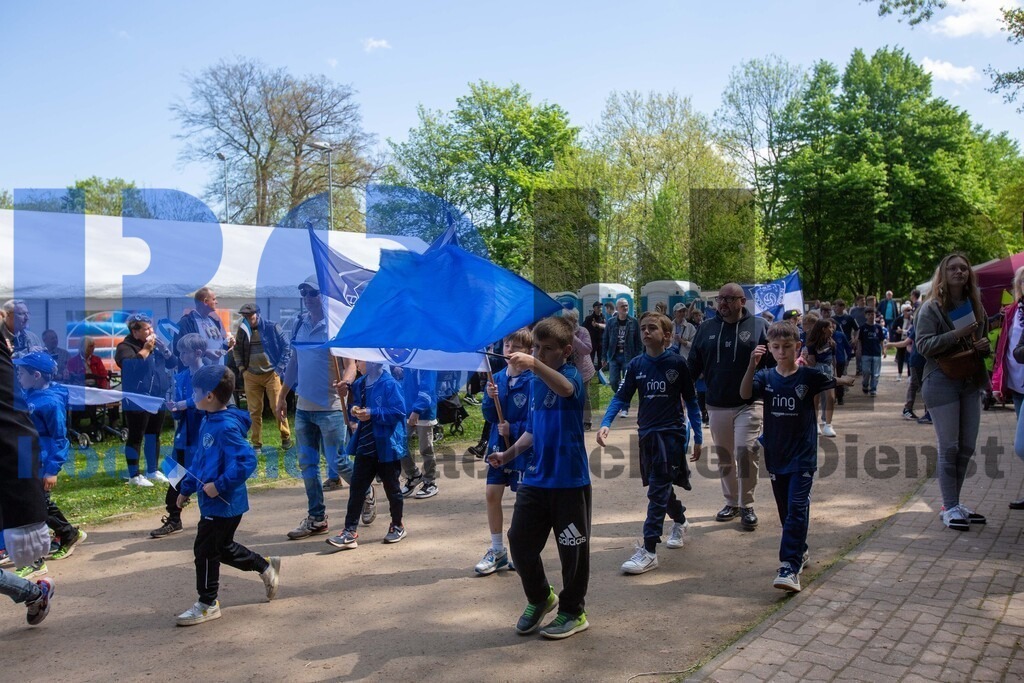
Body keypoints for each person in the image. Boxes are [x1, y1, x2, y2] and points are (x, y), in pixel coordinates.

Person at [487, 316, 591, 640]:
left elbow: (565, 389)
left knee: (571, 550)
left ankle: (573, 611)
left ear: (566, 350)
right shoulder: (534, 383)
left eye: (548, 350)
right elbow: (531, 432)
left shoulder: (571, 375)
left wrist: (534, 364)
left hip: (569, 481)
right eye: (538, 350)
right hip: (535, 479)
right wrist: (507, 456)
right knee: (518, 541)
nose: (542, 355)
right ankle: (540, 597)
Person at [740, 322, 845, 593]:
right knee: (786, 512)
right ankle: (801, 549)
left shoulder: (808, 377)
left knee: (797, 507)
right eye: (775, 347)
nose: (781, 351)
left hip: (803, 455)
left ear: (797, 346)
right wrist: (752, 364)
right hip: (776, 455)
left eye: (787, 346)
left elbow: (832, 383)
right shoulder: (765, 377)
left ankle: (789, 565)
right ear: (769, 349)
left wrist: (842, 379)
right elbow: (744, 393)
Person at [174, 365, 280, 626]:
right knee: (222, 549)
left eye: (195, 391)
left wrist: (220, 485)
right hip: (216, 503)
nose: (192, 395)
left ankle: (207, 603)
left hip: (223, 503)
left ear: (209, 396)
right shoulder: (209, 421)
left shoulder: (224, 427)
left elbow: (246, 460)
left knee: (205, 550)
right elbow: (200, 461)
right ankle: (265, 566)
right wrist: (185, 489)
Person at [597, 312, 703, 575]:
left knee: (657, 489)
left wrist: (699, 436)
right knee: (660, 487)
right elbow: (621, 397)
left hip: (671, 435)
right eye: (643, 328)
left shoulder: (677, 364)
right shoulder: (635, 365)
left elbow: (692, 402)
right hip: (646, 435)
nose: (645, 332)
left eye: (652, 328)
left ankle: (649, 549)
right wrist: (606, 422)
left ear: (666, 335)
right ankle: (679, 520)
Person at [916, 253, 991, 531]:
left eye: (964, 268)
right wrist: (957, 335)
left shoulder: (974, 305)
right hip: (941, 381)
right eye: (953, 268)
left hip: (969, 380)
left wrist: (982, 345)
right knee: (949, 447)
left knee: (967, 447)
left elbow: (978, 342)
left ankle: (956, 503)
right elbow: (923, 346)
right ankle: (949, 506)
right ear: (943, 274)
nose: (959, 272)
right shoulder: (932, 308)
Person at [687, 283, 772, 531]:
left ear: (742, 301)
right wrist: (682, 391)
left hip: (750, 402)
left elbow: (772, 362)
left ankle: (747, 505)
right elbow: (693, 365)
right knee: (725, 458)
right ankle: (731, 502)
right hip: (717, 403)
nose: (722, 302)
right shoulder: (705, 328)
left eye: (728, 298)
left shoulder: (759, 326)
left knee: (745, 451)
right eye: (720, 298)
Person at [278, 276, 356, 540]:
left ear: (323, 296)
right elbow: (294, 364)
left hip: (332, 407)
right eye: (304, 293)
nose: (308, 298)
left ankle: (364, 491)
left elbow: (351, 364)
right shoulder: (299, 324)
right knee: (308, 465)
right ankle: (317, 518)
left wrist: (346, 382)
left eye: (312, 293)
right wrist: (282, 396)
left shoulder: (336, 326)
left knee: (339, 462)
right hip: (303, 408)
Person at [12, 352, 86, 570]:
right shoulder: (29, 392)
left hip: (41, 461)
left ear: (36, 375)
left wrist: (52, 469)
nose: (18, 375)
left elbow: (60, 438)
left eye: (21, 372)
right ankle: (68, 533)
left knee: (34, 505)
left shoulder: (51, 402)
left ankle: (41, 554)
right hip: (25, 456)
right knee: (37, 502)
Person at [0, 340, 55, 626]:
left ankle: (34, 592)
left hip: (27, 468)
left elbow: (17, 430)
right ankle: (33, 592)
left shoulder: (48, 400)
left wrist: (27, 510)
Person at [325, 360, 408, 550]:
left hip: (387, 447)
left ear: (372, 361)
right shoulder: (361, 383)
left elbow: (398, 411)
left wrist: (372, 412)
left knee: (392, 488)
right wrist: (349, 401)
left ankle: (397, 525)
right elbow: (354, 402)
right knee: (357, 488)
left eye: (359, 360)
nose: (356, 364)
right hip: (365, 445)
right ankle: (349, 531)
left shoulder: (389, 384)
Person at [476, 329, 534, 575]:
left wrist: (514, 427)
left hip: (522, 450)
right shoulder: (496, 377)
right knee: (492, 494)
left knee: (524, 501)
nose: (511, 350)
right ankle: (497, 549)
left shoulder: (534, 380)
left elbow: (535, 422)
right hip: (498, 447)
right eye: (508, 345)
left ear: (529, 352)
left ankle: (525, 551)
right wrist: (490, 399)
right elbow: (489, 416)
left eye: (517, 346)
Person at [150, 334, 207, 539]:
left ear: (197, 353)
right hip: (183, 433)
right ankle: (174, 518)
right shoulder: (181, 377)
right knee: (175, 475)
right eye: (180, 351)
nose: (180, 356)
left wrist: (186, 404)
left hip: (204, 433)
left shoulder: (209, 374)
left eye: (184, 352)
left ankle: (211, 519)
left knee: (204, 475)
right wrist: (175, 408)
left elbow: (208, 401)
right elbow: (178, 405)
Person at [115, 313, 175, 487]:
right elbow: (130, 367)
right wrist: (146, 350)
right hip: (137, 398)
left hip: (157, 396)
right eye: (146, 328)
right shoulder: (125, 347)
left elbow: (172, 363)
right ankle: (134, 475)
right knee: (136, 436)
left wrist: (165, 350)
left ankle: (152, 470)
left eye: (151, 327)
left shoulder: (156, 345)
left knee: (153, 435)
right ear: (135, 332)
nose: (151, 331)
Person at [233, 303, 292, 451]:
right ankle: (256, 444)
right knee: (254, 410)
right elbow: (236, 351)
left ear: (257, 314)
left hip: (271, 373)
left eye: (249, 316)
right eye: (244, 316)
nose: (247, 319)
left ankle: (286, 437)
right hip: (251, 375)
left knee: (277, 407)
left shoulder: (272, 327)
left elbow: (287, 347)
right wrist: (242, 369)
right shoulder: (242, 330)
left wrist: (279, 369)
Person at [398, 368, 440, 499]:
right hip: (407, 409)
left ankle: (430, 481)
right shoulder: (408, 361)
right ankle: (414, 475)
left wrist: (417, 410)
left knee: (425, 448)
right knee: (399, 444)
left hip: (424, 412)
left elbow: (428, 388)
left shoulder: (427, 364)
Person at [173, 287, 235, 369]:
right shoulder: (186, 323)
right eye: (213, 299)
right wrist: (205, 353)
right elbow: (178, 350)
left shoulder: (213, 321)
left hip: (217, 373)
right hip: (198, 376)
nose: (216, 302)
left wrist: (226, 344)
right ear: (205, 301)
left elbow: (216, 347)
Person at [991, 266, 1024, 415]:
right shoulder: (1012, 311)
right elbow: (1002, 350)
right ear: (1019, 285)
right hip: (1017, 384)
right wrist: (997, 383)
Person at [602, 298, 641, 416]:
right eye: (623, 306)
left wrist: (638, 357)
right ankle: (622, 399)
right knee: (613, 381)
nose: (625, 308)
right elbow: (605, 339)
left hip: (628, 357)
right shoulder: (611, 322)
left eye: (626, 305)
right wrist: (603, 357)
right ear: (618, 309)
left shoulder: (633, 322)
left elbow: (638, 342)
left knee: (627, 382)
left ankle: (625, 407)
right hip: (614, 356)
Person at [805, 320, 841, 438]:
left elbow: (834, 360)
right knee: (816, 398)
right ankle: (814, 423)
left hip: (829, 370)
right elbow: (812, 361)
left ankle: (828, 425)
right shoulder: (812, 344)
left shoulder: (832, 343)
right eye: (830, 327)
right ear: (823, 329)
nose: (832, 329)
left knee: (831, 397)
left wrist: (835, 374)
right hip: (816, 370)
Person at [563, 309, 596, 430]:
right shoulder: (562, 333)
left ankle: (587, 421)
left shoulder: (583, 331)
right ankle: (572, 421)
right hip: (567, 371)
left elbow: (587, 349)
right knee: (568, 395)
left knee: (584, 396)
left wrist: (574, 338)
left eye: (570, 320)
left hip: (583, 370)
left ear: (575, 320)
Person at [857, 309, 885, 396]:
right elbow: (859, 340)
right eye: (868, 314)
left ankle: (873, 388)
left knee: (875, 373)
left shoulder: (878, 327)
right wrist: (859, 350)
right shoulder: (863, 328)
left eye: (872, 314)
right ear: (865, 316)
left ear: (875, 315)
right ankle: (865, 384)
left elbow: (881, 340)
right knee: (866, 371)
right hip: (866, 353)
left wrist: (884, 350)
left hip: (876, 353)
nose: (870, 316)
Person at [891, 304, 914, 381]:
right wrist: (897, 331)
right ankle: (899, 374)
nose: (909, 312)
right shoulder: (898, 319)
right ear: (903, 311)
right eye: (907, 310)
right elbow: (893, 329)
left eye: (910, 310)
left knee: (909, 358)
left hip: (909, 341)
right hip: (900, 340)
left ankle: (909, 375)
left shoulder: (913, 320)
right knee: (900, 357)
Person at [583, 302, 606, 367]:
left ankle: (600, 374)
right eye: (598, 307)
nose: (600, 309)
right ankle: (591, 372)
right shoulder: (589, 318)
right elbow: (583, 328)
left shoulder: (603, 317)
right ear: (594, 308)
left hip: (601, 342)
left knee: (601, 359)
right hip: (592, 342)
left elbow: (606, 327)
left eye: (601, 307)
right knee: (591, 358)